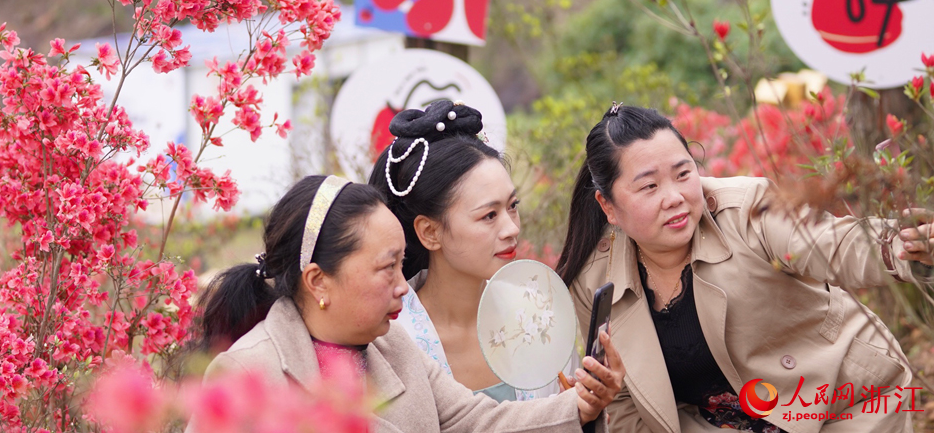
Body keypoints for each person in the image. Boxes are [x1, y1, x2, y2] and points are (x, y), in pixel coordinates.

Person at [556, 104, 934, 433]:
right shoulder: (594, 282)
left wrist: (900, 245)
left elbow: (830, 244)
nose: (675, 198)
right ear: (608, 207)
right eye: (649, 187)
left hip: (845, 402)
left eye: (683, 174)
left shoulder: (746, 209)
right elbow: (624, 403)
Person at [192, 175, 621, 433]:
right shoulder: (248, 372)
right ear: (319, 281)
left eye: (402, 264)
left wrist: (580, 405)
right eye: (386, 269)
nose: (403, 287)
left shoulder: (394, 347)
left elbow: (478, 422)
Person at [369, 99, 613, 402]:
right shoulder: (389, 337)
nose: (512, 228)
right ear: (430, 232)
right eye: (489, 216)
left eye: (513, 207)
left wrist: (585, 409)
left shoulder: (536, 315)